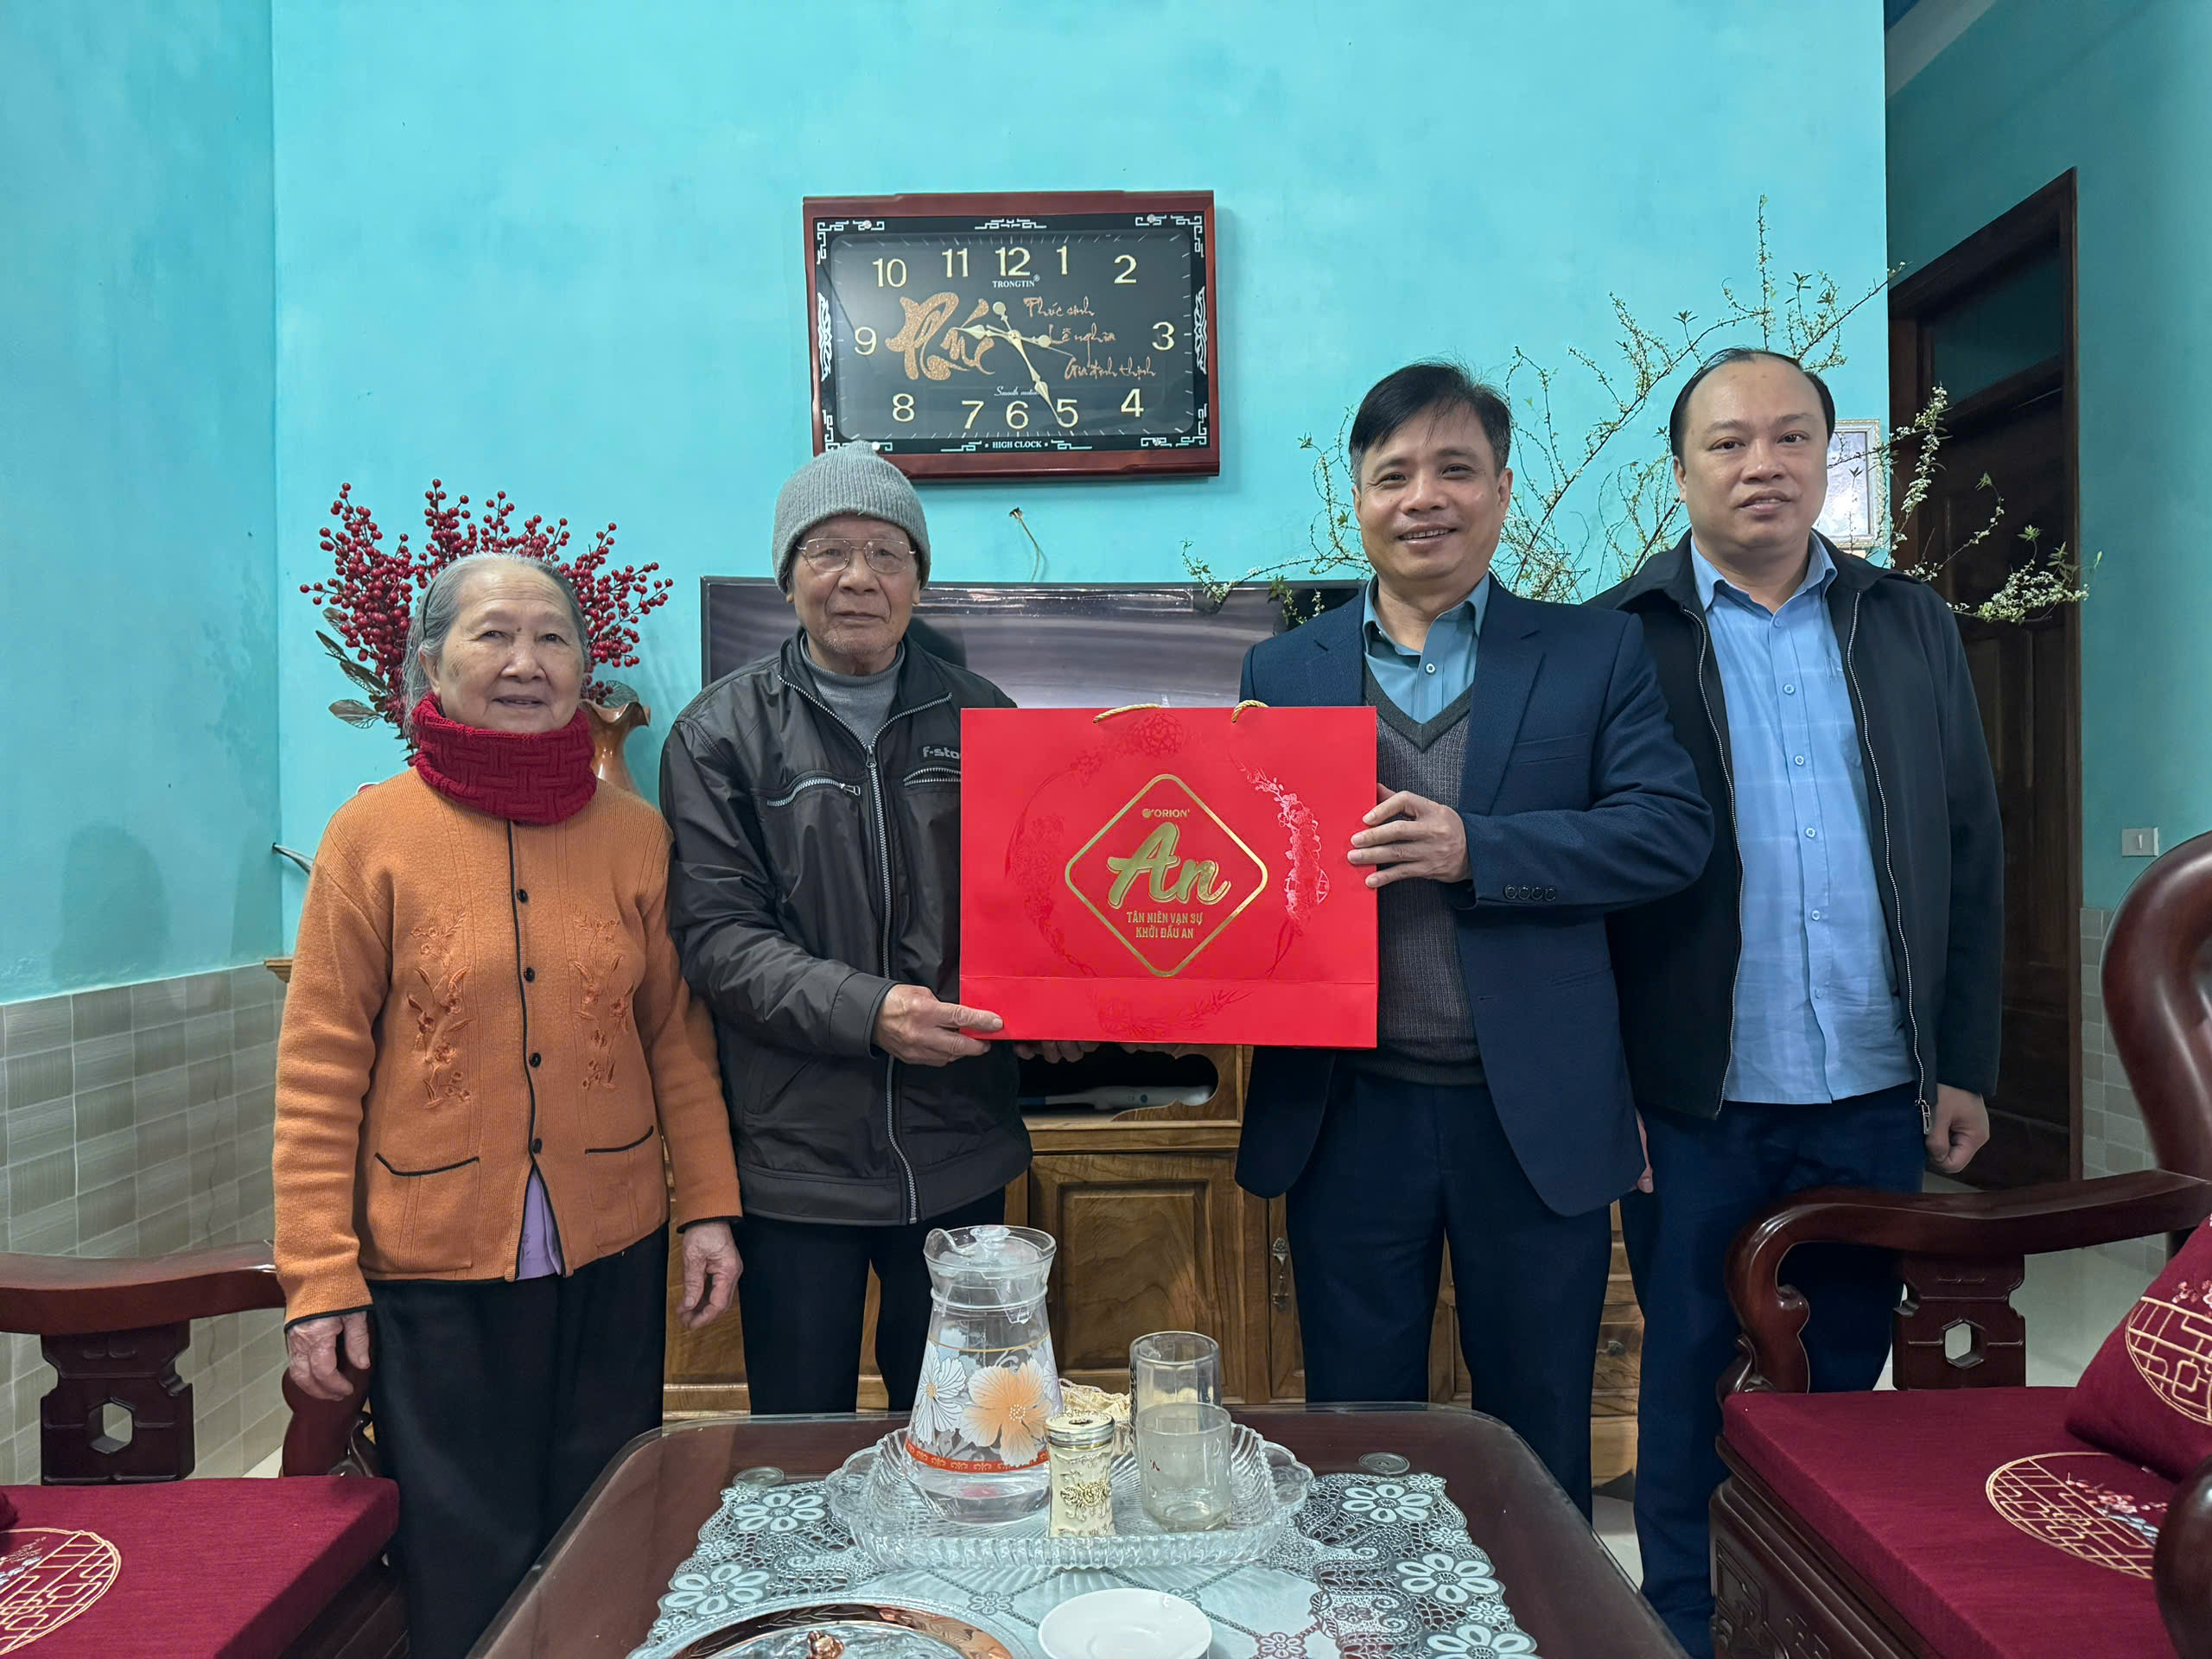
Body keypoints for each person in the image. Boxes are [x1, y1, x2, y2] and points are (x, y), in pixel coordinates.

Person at [1236, 362, 1713, 1510]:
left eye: (1455, 469)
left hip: (1533, 1111)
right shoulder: (1282, 670)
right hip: (1347, 1110)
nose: (1423, 498)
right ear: (1357, 499)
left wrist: (1477, 849)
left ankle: (1532, 1603)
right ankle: (1366, 1604)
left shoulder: (1593, 652)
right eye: (1393, 474)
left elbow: (1667, 834)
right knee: (1356, 1423)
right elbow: (1246, 868)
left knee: (1534, 1421)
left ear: (1500, 491)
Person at [1596, 347, 2002, 1656]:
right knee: (1687, 1367)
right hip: (1693, 1094)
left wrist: (1963, 1061)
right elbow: (1590, 894)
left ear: (1832, 459)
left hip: (1875, 1084)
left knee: (1842, 1367)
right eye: (1727, 443)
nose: (1761, 464)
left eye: (1790, 438)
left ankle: (1810, 1609)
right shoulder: (1617, 639)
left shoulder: (1908, 623)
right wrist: (1609, 1093)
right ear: (1679, 472)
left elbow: (1970, 847)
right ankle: (1686, 1618)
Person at [274, 552, 744, 1659]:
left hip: (612, 1248)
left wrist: (709, 1208)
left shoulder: (633, 835)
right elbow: (320, 1069)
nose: (526, 662)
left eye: (552, 637)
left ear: (585, 666)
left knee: (608, 1520)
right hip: (431, 1263)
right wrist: (318, 1277)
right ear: (429, 667)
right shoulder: (372, 837)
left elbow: (674, 1040)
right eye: (492, 635)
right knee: (462, 1543)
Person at [661, 442, 1084, 1416]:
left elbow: (1041, 900)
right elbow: (719, 938)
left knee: (967, 1424)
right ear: (788, 576)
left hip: (960, 1142)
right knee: (799, 1431)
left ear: (917, 579)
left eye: (887, 553)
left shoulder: (987, 718)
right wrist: (872, 1011)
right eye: (828, 551)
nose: (859, 578)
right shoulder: (717, 734)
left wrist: (1061, 999)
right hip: (795, 1162)